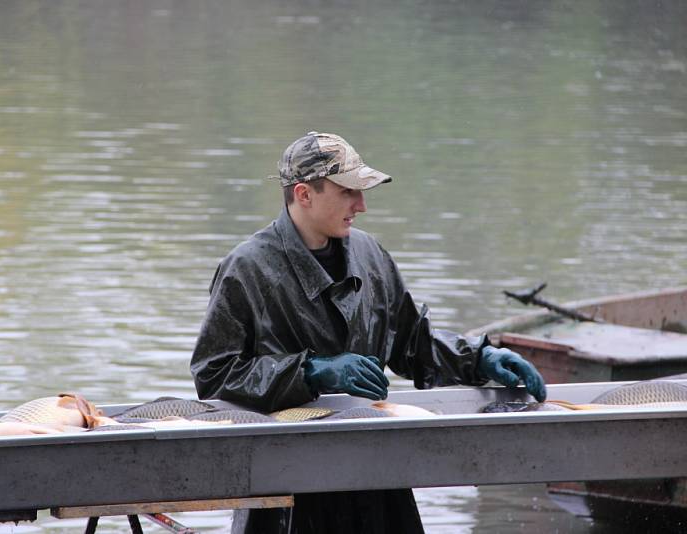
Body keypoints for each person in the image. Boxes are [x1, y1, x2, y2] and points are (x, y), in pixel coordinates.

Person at [190, 131, 547, 534]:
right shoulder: (247, 268)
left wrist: (477, 357)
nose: (361, 205)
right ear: (304, 194)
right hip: (287, 481)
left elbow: (412, 341)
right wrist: (309, 373)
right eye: (348, 192)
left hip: (374, 468)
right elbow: (214, 375)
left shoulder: (369, 254)